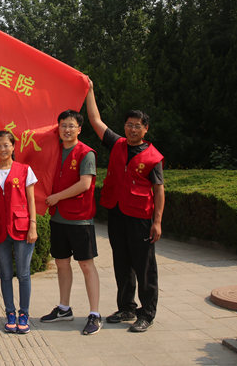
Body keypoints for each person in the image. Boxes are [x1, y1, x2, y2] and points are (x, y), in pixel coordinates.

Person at [85, 79, 165, 333]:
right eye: (129, 125)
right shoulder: (118, 144)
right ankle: (126, 307)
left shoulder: (153, 157)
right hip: (117, 212)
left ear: (145, 129)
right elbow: (95, 121)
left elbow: (159, 190)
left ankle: (147, 313)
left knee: (144, 266)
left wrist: (157, 222)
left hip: (141, 217)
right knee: (121, 261)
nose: (132, 129)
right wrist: (89, 90)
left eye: (137, 126)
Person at [39, 110, 102, 336]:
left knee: (86, 265)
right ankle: (64, 308)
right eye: (63, 125)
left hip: (80, 219)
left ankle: (94, 313)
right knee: (61, 263)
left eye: (71, 125)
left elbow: (85, 184)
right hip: (58, 218)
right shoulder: (54, 150)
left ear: (79, 129)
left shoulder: (86, 153)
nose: (67, 129)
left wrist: (57, 197)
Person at [0, 130, 38, 335]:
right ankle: (10, 313)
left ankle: (24, 314)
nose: (3, 149)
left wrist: (33, 225)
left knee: (24, 274)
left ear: (13, 147)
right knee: (6, 274)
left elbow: (31, 200)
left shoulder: (25, 170)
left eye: (6, 145)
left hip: (22, 228)